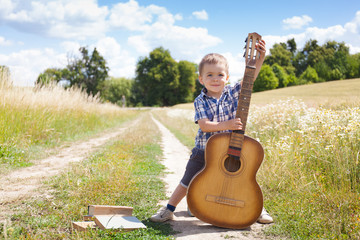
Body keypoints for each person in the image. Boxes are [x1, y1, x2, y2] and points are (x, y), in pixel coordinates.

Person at [150, 39, 273, 224]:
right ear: (201, 79)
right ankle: (168, 210)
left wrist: (260, 57)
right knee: (187, 180)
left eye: (220, 74)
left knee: (243, 179)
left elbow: (251, 78)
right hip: (204, 149)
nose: (215, 79)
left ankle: (257, 210)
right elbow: (205, 125)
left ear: (227, 77)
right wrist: (229, 124)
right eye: (209, 75)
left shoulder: (232, 92)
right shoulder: (200, 100)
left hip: (231, 148)